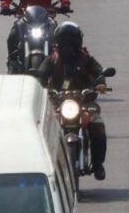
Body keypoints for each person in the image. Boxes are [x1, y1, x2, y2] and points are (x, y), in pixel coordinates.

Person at [37, 23, 110, 180]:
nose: (68, 45)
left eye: (72, 40)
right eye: (65, 40)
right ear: (58, 41)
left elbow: (98, 71)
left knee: (97, 126)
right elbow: (41, 75)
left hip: (85, 103)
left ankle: (98, 164)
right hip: (57, 104)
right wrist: (38, 85)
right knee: (42, 129)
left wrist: (101, 83)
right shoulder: (52, 60)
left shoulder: (86, 59)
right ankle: (43, 165)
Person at [0, 0, 71, 72]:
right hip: (25, 18)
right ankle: (12, 61)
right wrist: (5, 5)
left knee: (59, 35)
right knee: (12, 35)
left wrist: (65, 3)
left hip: (47, 18)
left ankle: (60, 61)